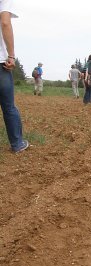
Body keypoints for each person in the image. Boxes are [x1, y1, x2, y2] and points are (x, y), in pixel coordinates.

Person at [0, 0, 29, 152]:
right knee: (8, 106)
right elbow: (5, 22)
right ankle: (17, 144)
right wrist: (11, 55)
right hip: (0, 63)